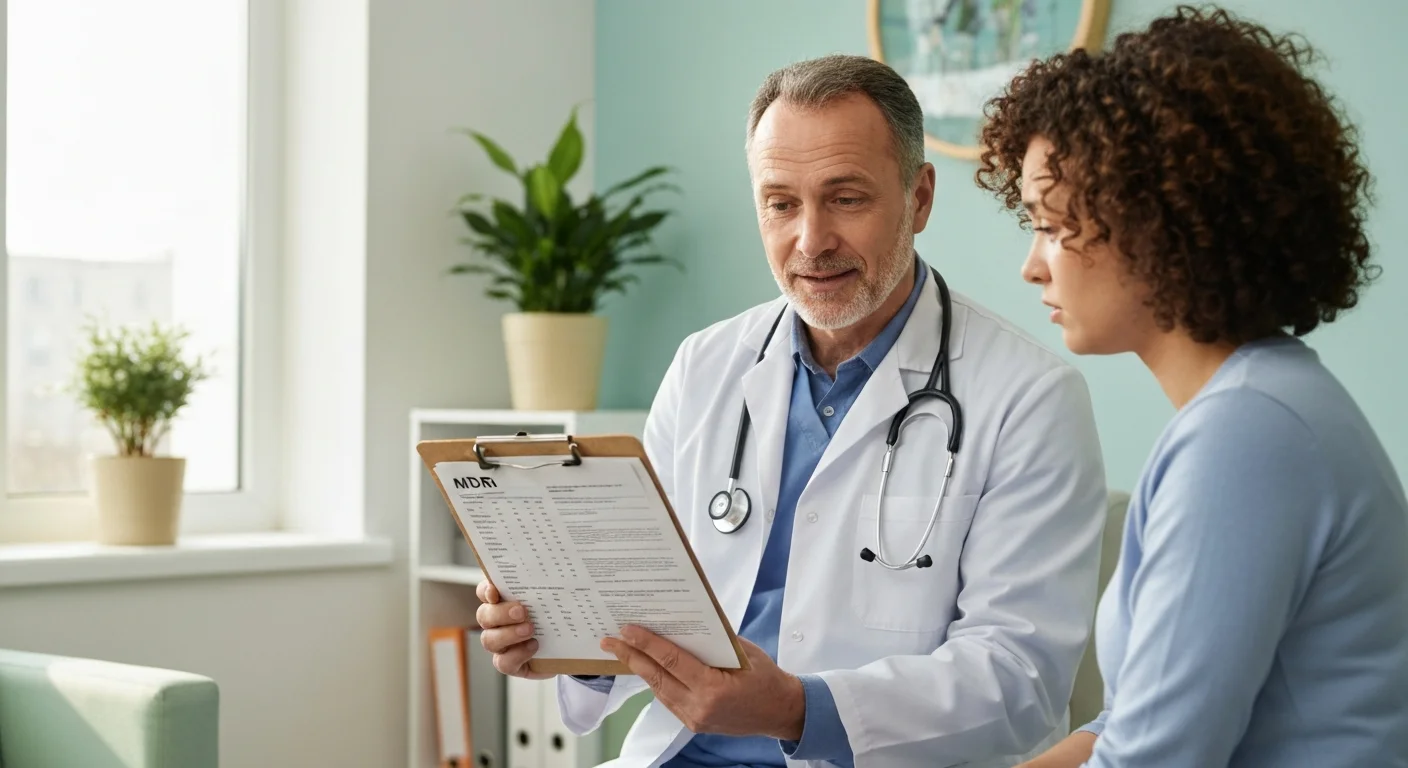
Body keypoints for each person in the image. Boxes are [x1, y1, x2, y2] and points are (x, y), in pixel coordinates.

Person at [476, 53, 1110, 767]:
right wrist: (562, 632)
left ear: (920, 197)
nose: (811, 241)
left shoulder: (1029, 397)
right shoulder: (705, 365)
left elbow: (1021, 678)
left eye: (846, 198)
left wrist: (795, 708)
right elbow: (647, 599)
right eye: (781, 203)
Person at [973, 6, 1408, 767]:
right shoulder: (1260, 404)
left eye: (1052, 226)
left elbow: (1152, 758)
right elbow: (1126, 726)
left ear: (1156, 220)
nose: (1033, 266)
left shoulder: (1247, 437)